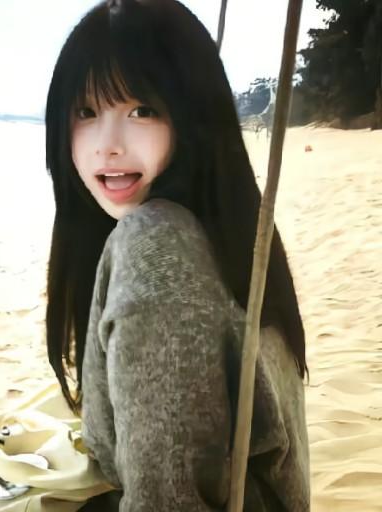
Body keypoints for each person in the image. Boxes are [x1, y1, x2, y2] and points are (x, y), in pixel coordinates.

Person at [44, 0, 310, 511]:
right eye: (86, 112)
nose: (108, 146)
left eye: (142, 111)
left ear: (191, 116)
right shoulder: (229, 225)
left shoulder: (156, 245)